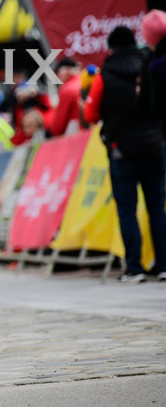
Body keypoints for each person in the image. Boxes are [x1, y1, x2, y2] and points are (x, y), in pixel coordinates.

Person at [83, 25, 166, 283]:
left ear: (111, 47)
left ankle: (134, 267)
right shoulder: (149, 66)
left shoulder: (104, 76)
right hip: (154, 145)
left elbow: (90, 115)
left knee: (127, 209)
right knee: (157, 208)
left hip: (122, 151)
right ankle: (163, 265)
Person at [44, 57, 83, 137]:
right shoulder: (86, 82)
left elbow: (57, 127)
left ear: (67, 70)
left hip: (76, 136)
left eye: (58, 73)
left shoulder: (67, 90)